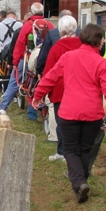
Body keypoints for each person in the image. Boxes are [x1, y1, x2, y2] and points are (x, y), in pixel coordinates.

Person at [32, 24, 106, 203]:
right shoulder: (101, 63)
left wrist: (38, 95)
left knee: (70, 150)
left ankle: (79, 182)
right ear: (98, 42)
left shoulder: (68, 57)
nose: (104, 41)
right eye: (103, 38)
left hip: (69, 112)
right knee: (84, 149)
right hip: (93, 114)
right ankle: (81, 181)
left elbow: (50, 78)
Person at [0, 3, 54, 118]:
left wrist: (15, 61)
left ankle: (3, 108)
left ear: (32, 12)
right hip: (43, 60)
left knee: (15, 82)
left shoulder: (28, 25)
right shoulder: (49, 25)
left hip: (27, 59)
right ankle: (32, 113)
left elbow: (19, 44)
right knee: (37, 85)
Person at [41, 15, 82, 162]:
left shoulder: (57, 48)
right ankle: (74, 152)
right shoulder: (83, 46)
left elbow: (48, 72)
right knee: (77, 123)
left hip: (61, 90)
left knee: (62, 123)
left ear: (60, 30)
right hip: (80, 90)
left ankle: (63, 152)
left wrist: (42, 92)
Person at [35, 9, 77, 77]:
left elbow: (44, 56)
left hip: (59, 79)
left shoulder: (56, 45)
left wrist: (39, 70)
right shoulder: (83, 39)